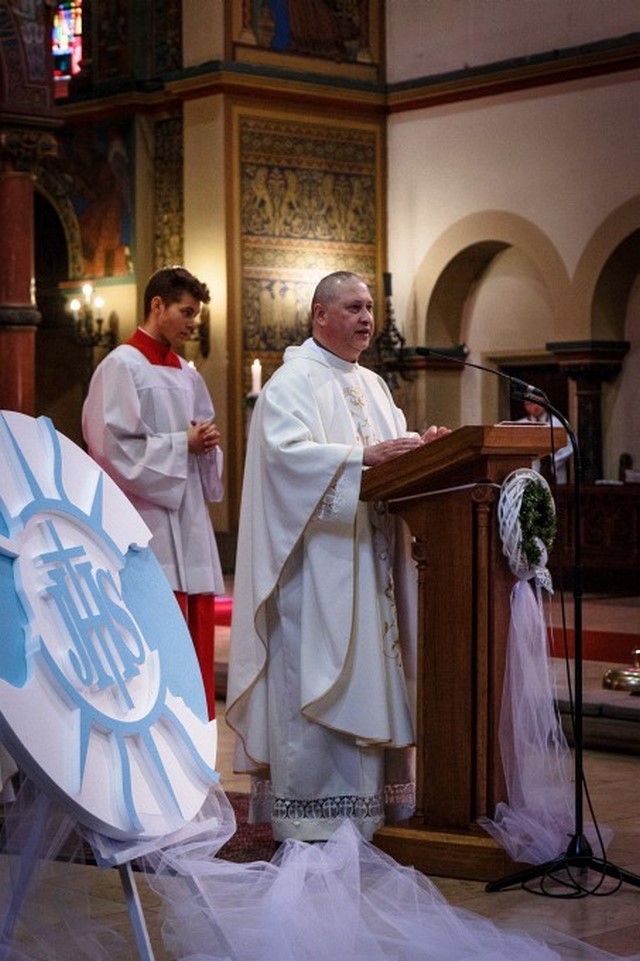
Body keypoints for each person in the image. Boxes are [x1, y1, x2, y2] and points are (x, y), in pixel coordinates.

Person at [226, 270, 450, 843]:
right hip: (317, 574)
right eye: (353, 307)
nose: (367, 319)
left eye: (369, 307)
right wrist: (361, 458)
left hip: (370, 566)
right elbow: (284, 462)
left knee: (370, 676)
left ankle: (374, 809)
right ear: (319, 315)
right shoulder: (290, 384)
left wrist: (423, 452)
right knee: (319, 682)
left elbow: (390, 460)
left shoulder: (374, 385)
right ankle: (314, 816)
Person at [82, 265, 224, 719]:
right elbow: (111, 448)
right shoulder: (121, 366)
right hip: (146, 522)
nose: (193, 323)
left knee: (194, 635)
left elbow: (201, 435)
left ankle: (195, 734)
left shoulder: (187, 373)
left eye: (196, 315)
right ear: (157, 305)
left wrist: (206, 444)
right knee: (155, 636)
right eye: (186, 312)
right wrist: (183, 444)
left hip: (189, 521)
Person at [517, 398, 573, 484]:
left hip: (555, 473)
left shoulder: (558, 423)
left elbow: (570, 446)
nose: (535, 406)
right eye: (530, 403)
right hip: (529, 474)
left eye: (539, 402)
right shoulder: (519, 425)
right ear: (525, 406)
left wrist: (551, 461)